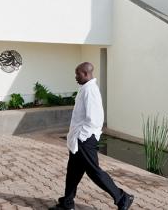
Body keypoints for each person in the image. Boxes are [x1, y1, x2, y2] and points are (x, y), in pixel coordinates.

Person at [49, 62, 134, 210]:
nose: (75, 77)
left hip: (85, 139)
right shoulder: (85, 88)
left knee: (94, 172)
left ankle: (122, 198)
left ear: (86, 74)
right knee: (73, 172)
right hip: (79, 139)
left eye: (78, 74)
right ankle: (67, 203)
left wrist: (82, 137)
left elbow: (95, 119)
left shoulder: (90, 90)